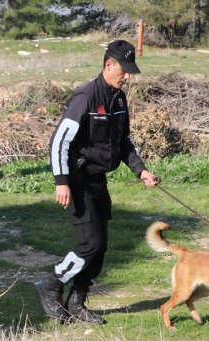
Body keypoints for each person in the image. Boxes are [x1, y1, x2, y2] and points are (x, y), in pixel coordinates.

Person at [34, 40, 160, 325]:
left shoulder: (119, 99)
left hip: (97, 181)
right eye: (124, 71)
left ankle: (76, 302)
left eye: (130, 72)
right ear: (109, 64)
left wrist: (141, 170)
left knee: (99, 247)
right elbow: (59, 142)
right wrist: (61, 181)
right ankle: (51, 285)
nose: (127, 77)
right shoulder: (86, 97)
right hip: (77, 181)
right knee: (90, 244)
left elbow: (123, 141)